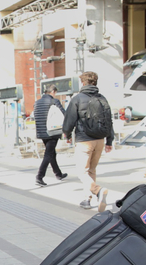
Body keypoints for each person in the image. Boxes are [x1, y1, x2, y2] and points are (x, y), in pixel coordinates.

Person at [63, 71, 114, 212]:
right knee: (91, 170)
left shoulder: (78, 98)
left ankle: (97, 190)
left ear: (83, 83)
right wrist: (109, 140)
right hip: (100, 140)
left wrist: (66, 134)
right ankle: (87, 199)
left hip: (84, 140)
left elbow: (70, 119)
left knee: (82, 171)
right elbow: (109, 121)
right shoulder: (102, 99)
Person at [33, 84, 68, 186]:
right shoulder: (54, 101)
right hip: (52, 131)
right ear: (53, 92)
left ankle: (58, 174)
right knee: (48, 154)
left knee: (51, 153)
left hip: (41, 132)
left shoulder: (37, 103)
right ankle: (39, 176)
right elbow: (63, 114)